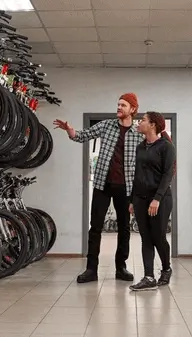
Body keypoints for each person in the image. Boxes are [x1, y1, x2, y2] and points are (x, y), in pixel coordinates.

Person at [53, 93, 144, 284]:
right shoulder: (106, 125)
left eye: (123, 105)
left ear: (133, 109)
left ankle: (121, 268)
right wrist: (70, 130)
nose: (119, 107)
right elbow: (83, 135)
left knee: (124, 228)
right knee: (95, 227)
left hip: (126, 188)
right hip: (102, 184)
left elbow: (144, 161)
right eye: (118, 104)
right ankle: (91, 269)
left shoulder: (138, 134)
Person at [128, 111, 176, 291]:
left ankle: (166, 268)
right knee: (145, 238)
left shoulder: (166, 147)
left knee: (158, 237)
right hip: (140, 198)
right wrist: (133, 200)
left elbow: (167, 175)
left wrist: (157, 199)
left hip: (160, 199)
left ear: (153, 125)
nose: (139, 123)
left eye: (143, 120)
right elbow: (137, 175)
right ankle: (149, 277)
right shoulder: (140, 147)